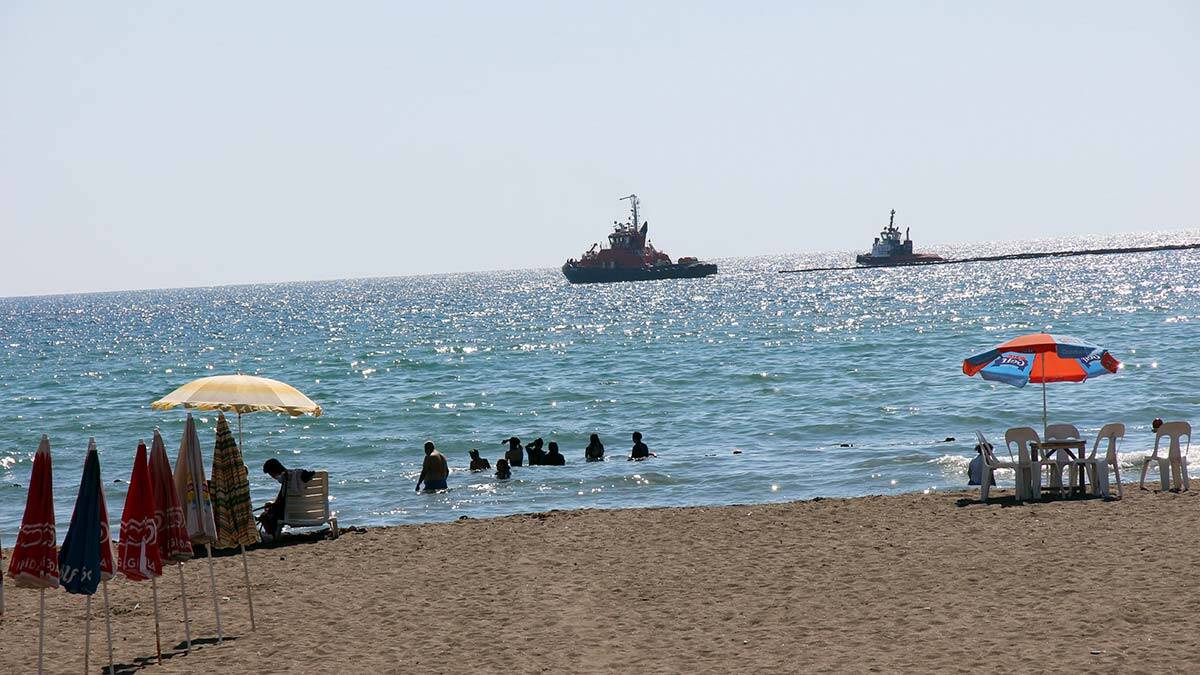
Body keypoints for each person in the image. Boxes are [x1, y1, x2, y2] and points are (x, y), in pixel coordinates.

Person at [259, 458, 315, 537]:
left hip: (289, 514)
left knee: (264, 516)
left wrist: (270, 506)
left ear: (274, 472)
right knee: (270, 506)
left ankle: (272, 536)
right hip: (305, 510)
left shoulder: (287, 480)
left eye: (271, 474)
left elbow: (279, 503)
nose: (272, 477)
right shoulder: (297, 479)